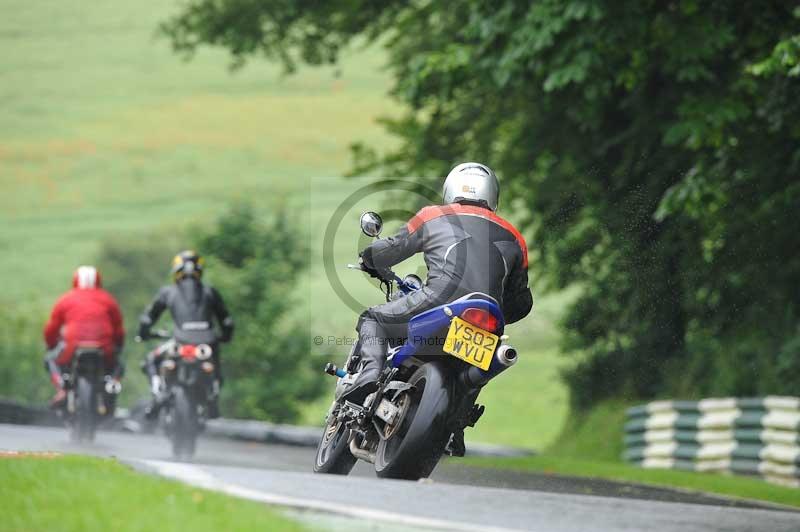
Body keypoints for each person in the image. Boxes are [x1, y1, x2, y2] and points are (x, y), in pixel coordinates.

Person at [343, 162, 533, 403]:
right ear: (492, 195)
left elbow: (393, 248)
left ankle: (369, 376)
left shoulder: (432, 215)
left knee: (373, 319)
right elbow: (521, 302)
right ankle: (456, 428)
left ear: (451, 190)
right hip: (487, 317)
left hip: (439, 300)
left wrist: (369, 257)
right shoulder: (516, 237)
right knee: (472, 382)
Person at [138, 250, 234, 419]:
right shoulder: (210, 292)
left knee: (151, 360)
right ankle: (213, 397)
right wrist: (224, 336)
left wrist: (144, 333)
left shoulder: (168, 292)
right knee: (216, 366)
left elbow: (148, 319)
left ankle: (157, 395)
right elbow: (227, 321)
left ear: (176, 271)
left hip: (179, 342)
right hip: (207, 344)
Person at [43, 266, 125, 407]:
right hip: (104, 348)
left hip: (71, 347)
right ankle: (112, 384)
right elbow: (119, 330)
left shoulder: (66, 299)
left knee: (50, 359)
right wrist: (118, 347)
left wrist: (51, 345)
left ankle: (61, 389)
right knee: (119, 365)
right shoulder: (109, 300)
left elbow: (51, 329)